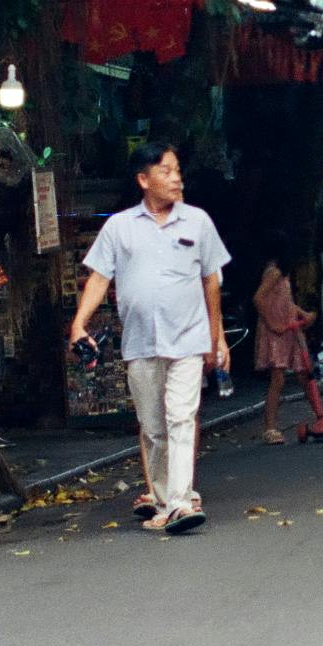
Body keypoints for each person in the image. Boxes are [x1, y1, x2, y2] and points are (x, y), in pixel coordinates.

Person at [71, 143, 231, 537]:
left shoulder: (198, 222)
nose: (176, 178)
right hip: (141, 342)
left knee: (181, 418)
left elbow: (211, 282)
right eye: (166, 171)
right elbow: (99, 278)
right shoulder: (119, 227)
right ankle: (162, 498)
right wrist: (79, 323)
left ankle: (179, 502)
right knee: (153, 427)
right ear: (143, 180)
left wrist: (218, 338)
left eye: (177, 170)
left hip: (189, 339)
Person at [250, 248, 315, 445]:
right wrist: (272, 324)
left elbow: (284, 302)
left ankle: (320, 415)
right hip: (278, 331)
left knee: (304, 374)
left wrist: (302, 313)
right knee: (278, 379)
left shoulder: (281, 274)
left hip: (289, 329)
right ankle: (270, 428)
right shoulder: (274, 273)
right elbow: (259, 298)